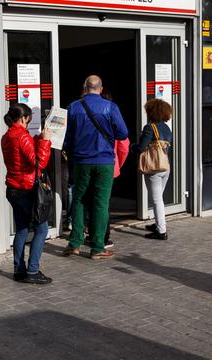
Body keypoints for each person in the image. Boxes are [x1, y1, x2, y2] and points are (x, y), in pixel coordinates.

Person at [62, 75, 128, 260]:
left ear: (85, 87)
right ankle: (97, 247)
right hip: (104, 161)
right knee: (100, 203)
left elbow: (66, 137)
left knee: (79, 199)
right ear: (100, 88)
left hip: (81, 161)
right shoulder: (110, 107)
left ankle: (74, 243)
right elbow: (123, 133)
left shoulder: (74, 107)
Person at [1, 103, 52, 284]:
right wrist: (45, 141)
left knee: (22, 228)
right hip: (26, 188)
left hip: (13, 188)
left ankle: (19, 270)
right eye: (28, 118)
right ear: (23, 118)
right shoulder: (22, 136)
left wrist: (36, 140)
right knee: (42, 228)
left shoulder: (7, 136)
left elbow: (22, 158)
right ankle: (32, 270)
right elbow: (38, 162)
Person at [132, 99, 173, 240]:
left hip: (153, 168)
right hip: (165, 167)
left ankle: (161, 231)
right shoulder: (167, 128)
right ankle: (158, 224)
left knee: (156, 200)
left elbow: (142, 147)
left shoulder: (150, 128)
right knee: (158, 198)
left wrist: (133, 147)